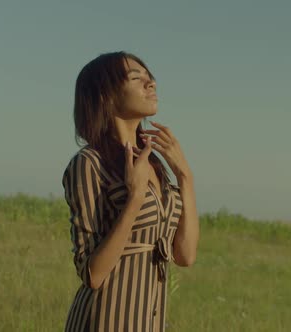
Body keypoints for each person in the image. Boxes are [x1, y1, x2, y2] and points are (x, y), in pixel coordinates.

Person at [62, 51, 199, 332]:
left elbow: (185, 256)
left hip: (149, 322)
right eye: (136, 78)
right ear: (105, 96)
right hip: (104, 321)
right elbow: (92, 274)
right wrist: (135, 198)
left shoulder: (155, 163)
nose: (151, 84)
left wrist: (185, 176)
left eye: (150, 78)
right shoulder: (89, 164)